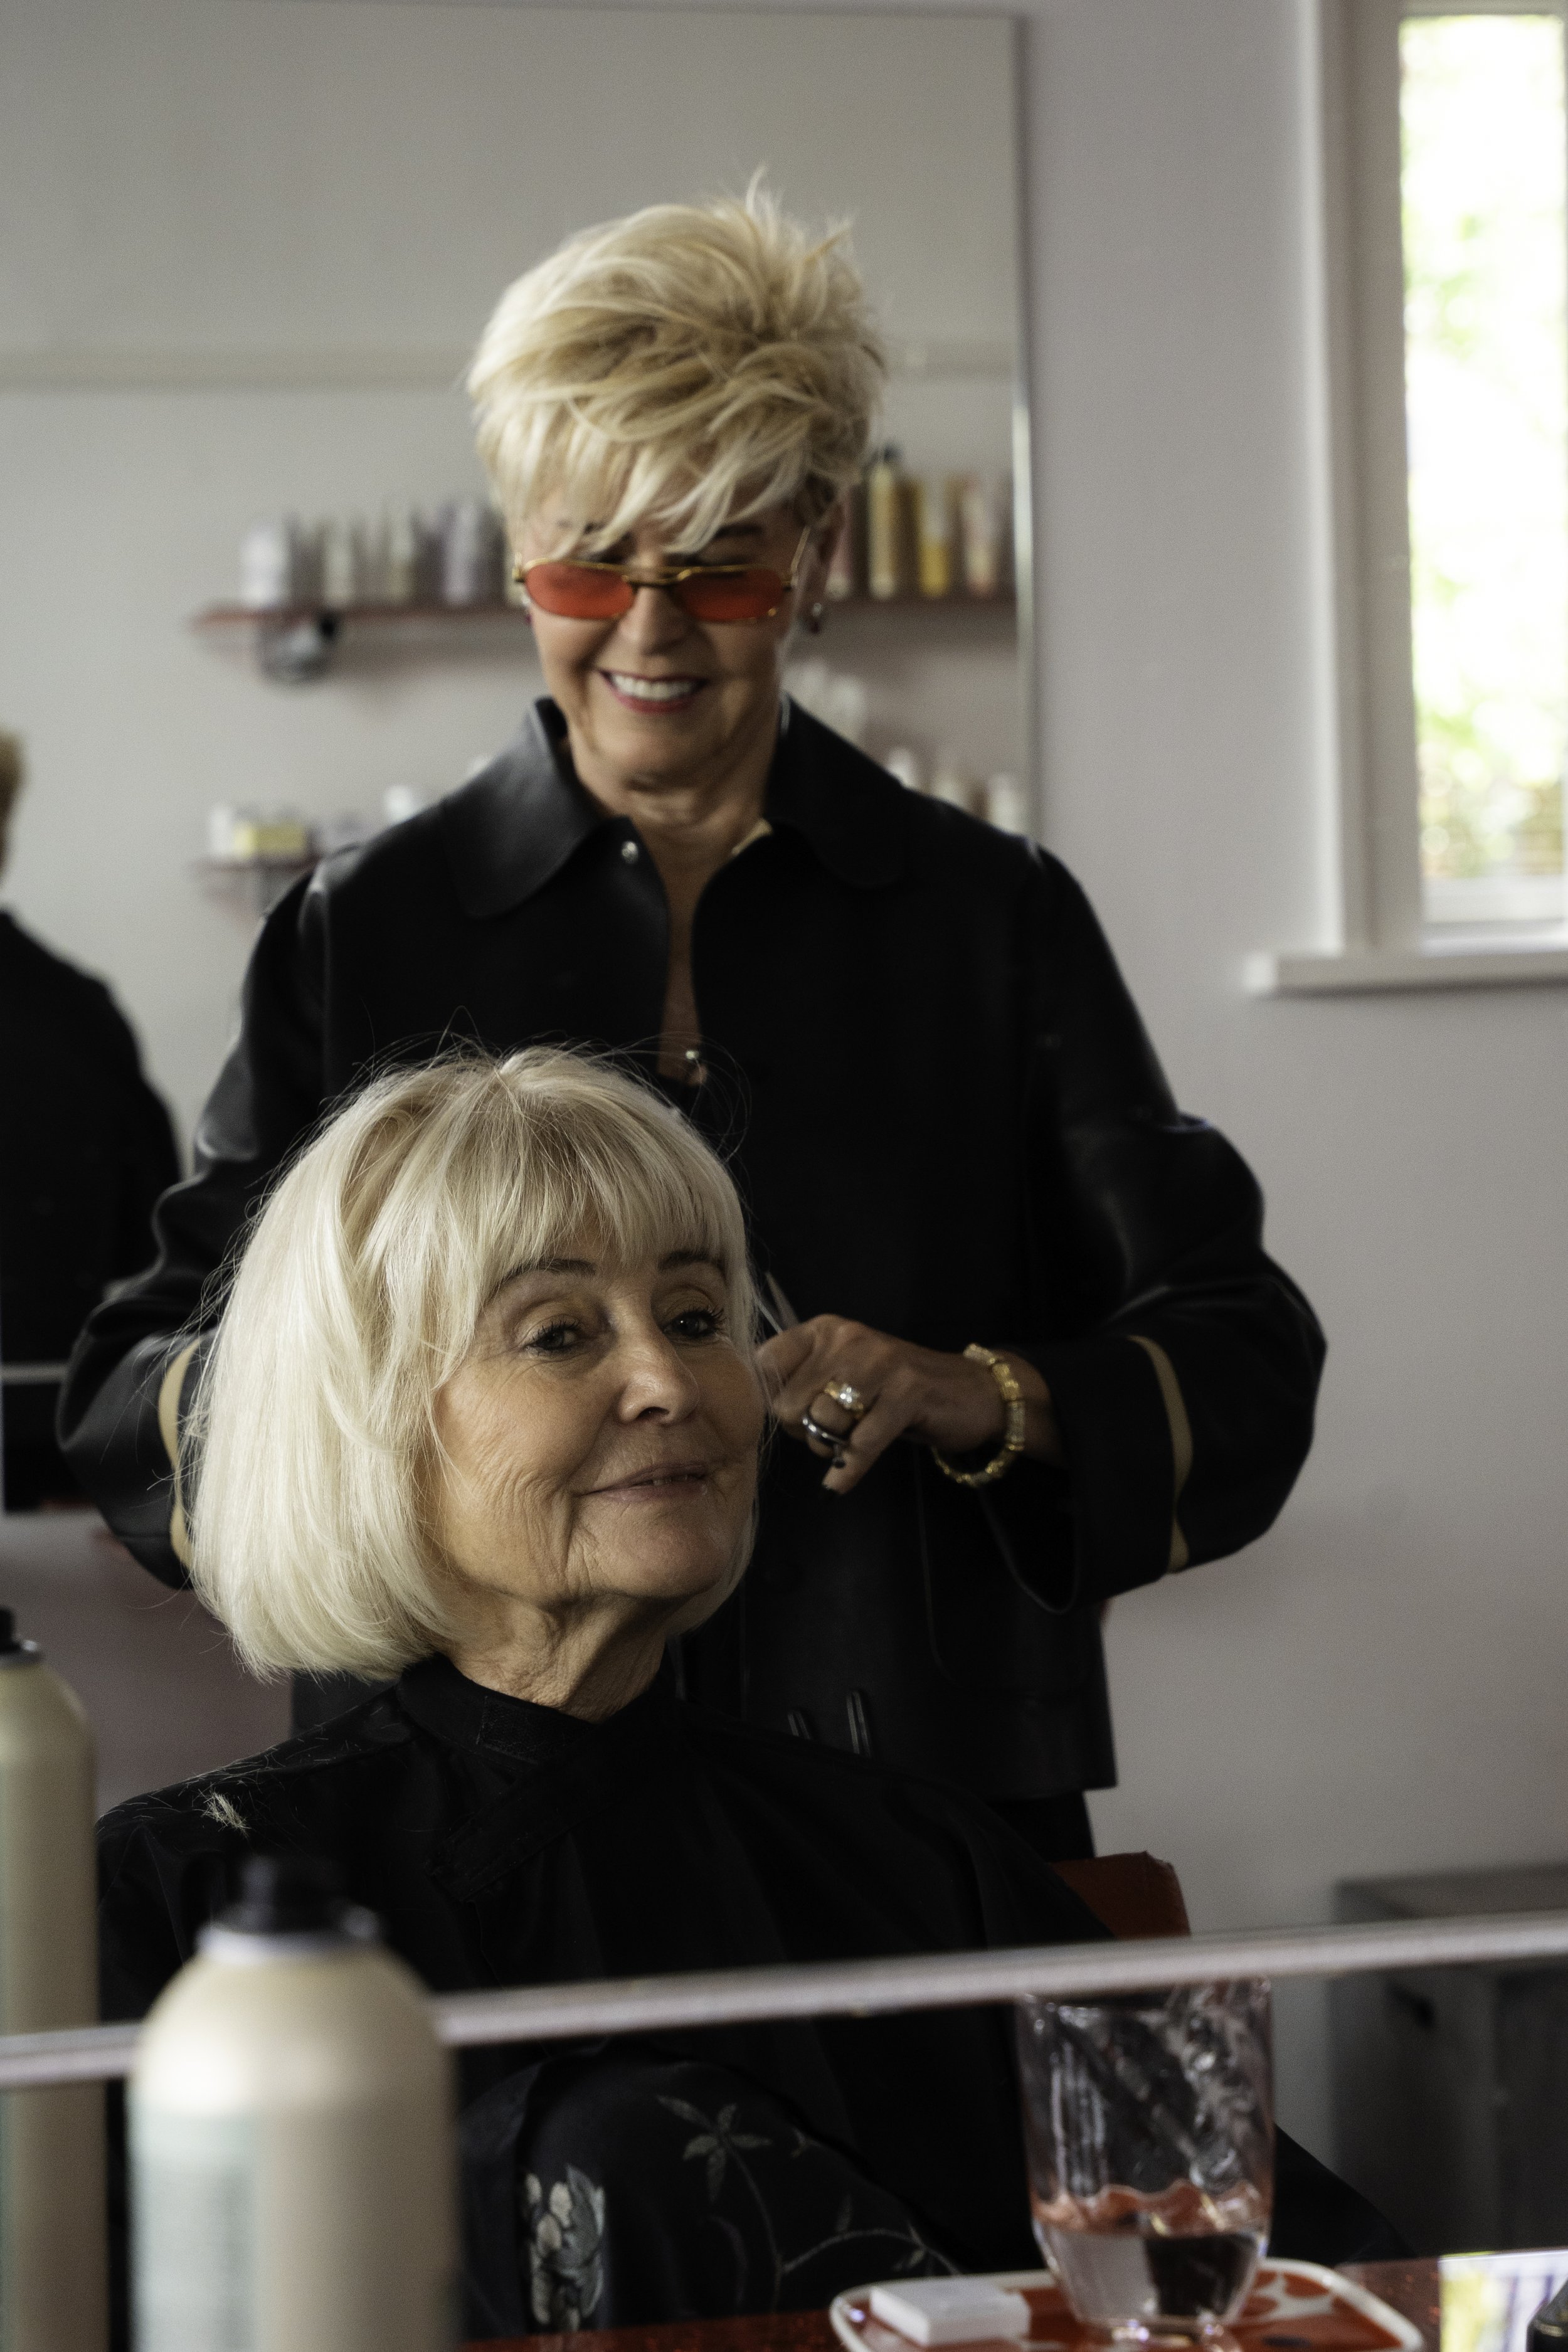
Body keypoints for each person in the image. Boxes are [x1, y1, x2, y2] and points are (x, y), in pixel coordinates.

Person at [65, 189, 1325, 1845]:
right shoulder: (359, 931)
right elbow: (131, 1407)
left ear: (814, 560)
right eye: (591, 561)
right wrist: (395, 1396)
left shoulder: (987, 916)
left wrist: (981, 1392)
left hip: (911, 1801)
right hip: (468, 1817)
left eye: (718, 571)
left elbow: (1237, 1356)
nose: (647, 630)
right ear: (520, 550)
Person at [97, 1052, 1392, 2343]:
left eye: (698, 1318)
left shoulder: (920, 1863)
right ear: (369, 1422)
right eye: (560, 1334)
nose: (670, 1383)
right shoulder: (171, 1904)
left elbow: (1324, 2287)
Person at [0, 731, 179, 1507]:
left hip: (54, 1439)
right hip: (60, 1435)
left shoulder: (79, 1017)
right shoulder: (80, 1012)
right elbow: (152, 1234)